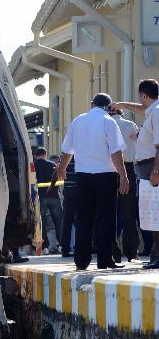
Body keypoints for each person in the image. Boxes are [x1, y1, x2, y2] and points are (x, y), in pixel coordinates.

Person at [55, 93, 129, 270]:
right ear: (109, 107)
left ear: (91, 104)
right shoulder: (109, 121)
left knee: (83, 219)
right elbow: (116, 152)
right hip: (106, 175)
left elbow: (67, 150)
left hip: (83, 176)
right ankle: (104, 260)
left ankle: (81, 261)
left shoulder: (78, 120)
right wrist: (123, 176)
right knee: (106, 218)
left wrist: (62, 169)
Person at [113, 79, 159, 268]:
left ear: (144, 95)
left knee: (155, 213)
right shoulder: (152, 111)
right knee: (152, 214)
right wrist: (122, 105)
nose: (140, 102)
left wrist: (156, 171)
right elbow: (141, 109)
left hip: (152, 167)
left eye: (140, 97)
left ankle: (157, 256)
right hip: (147, 167)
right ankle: (155, 255)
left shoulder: (157, 113)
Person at [111, 109, 140, 261]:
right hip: (128, 168)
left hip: (109, 169)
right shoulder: (130, 125)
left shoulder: (106, 124)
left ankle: (112, 250)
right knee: (129, 212)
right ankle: (131, 252)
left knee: (109, 212)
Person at [33, 147, 62, 253]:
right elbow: (59, 178)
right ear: (45, 154)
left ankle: (45, 247)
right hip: (54, 196)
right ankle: (61, 245)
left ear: (35, 156)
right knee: (58, 222)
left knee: (42, 222)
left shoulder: (33, 166)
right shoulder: (52, 165)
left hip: (40, 197)